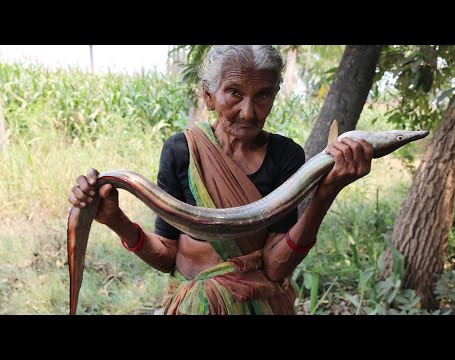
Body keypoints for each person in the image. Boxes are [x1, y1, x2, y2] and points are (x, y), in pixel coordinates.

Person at [68, 45, 374, 315]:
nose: (248, 112)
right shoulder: (181, 152)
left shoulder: (286, 156)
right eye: (234, 92)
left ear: (275, 95)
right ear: (208, 95)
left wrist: (327, 192)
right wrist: (115, 219)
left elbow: (276, 267)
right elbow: (168, 257)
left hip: (262, 306)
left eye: (263, 95)